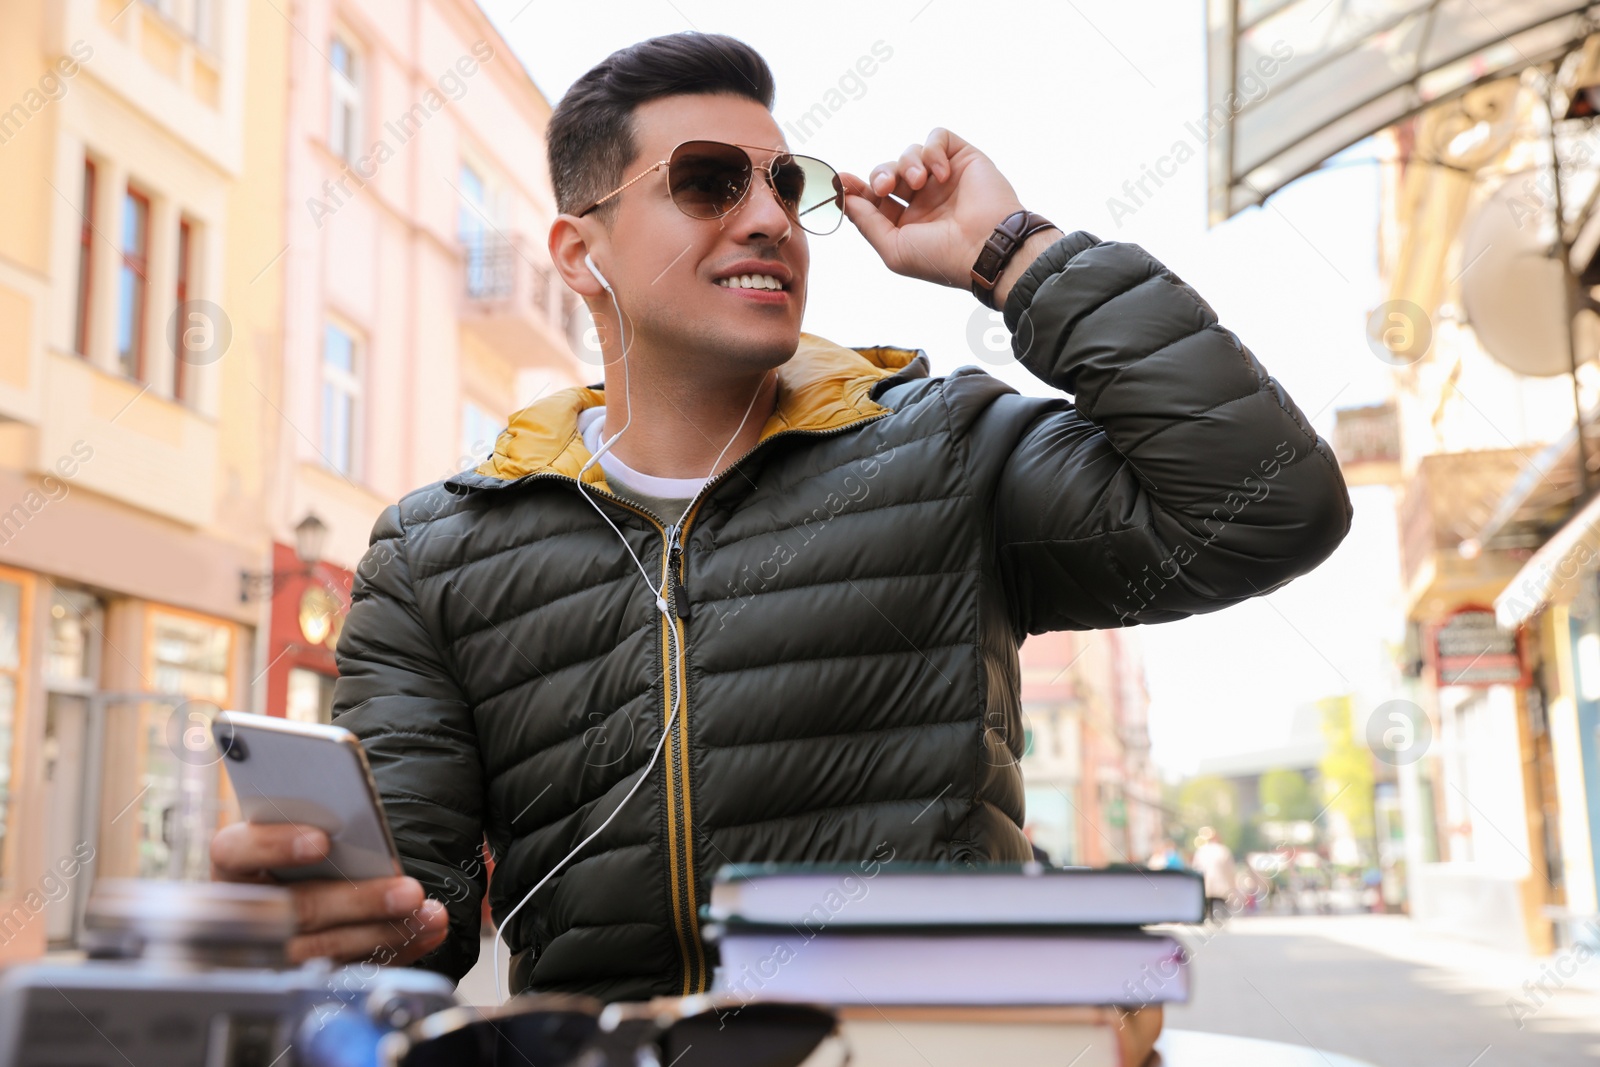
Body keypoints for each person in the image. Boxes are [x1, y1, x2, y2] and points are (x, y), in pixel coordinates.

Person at [212, 32, 1353, 1001]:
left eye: (785, 184)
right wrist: (340, 921)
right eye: (709, 181)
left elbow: (1267, 504)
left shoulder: (944, 447)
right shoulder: (436, 553)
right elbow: (408, 920)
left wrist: (1011, 255)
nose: (768, 216)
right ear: (579, 252)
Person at [1190, 826, 1238, 923]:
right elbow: (1230, 869)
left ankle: (1210, 918)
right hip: (1221, 883)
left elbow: (1195, 867)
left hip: (1207, 882)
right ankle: (1221, 919)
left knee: (1209, 903)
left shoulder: (1201, 851)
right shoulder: (1223, 850)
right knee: (1221, 902)